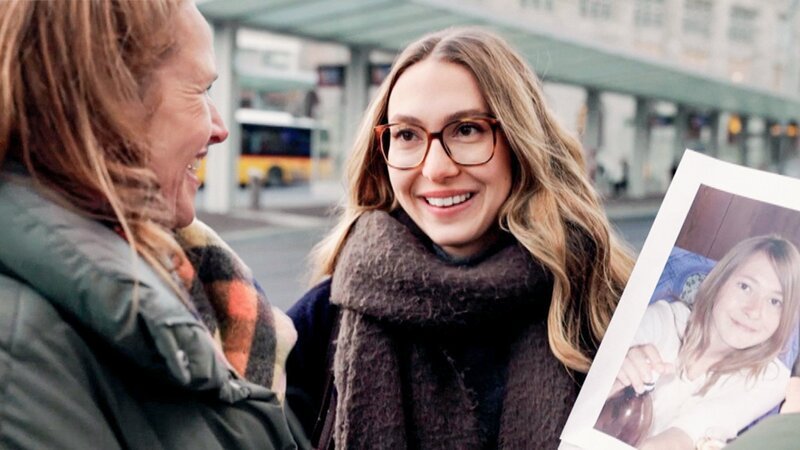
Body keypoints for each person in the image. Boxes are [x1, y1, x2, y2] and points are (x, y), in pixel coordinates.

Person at [285, 27, 634, 449]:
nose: (436, 169)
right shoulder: (321, 321)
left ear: (521, 143)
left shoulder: (605, 308)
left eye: (466, 130)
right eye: (407, 135)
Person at [0, 1, 304, 448]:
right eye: (200, 90)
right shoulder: (21, 352)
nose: (220, 128)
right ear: (106, 99)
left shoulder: (181, 273)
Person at [601, 235, 800, 450]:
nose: (753, 310)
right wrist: (611, 374)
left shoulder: (771, 378)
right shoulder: (662, 319)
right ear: (719, 282)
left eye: (774, 302)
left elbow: (686, 435)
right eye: (745, 287)